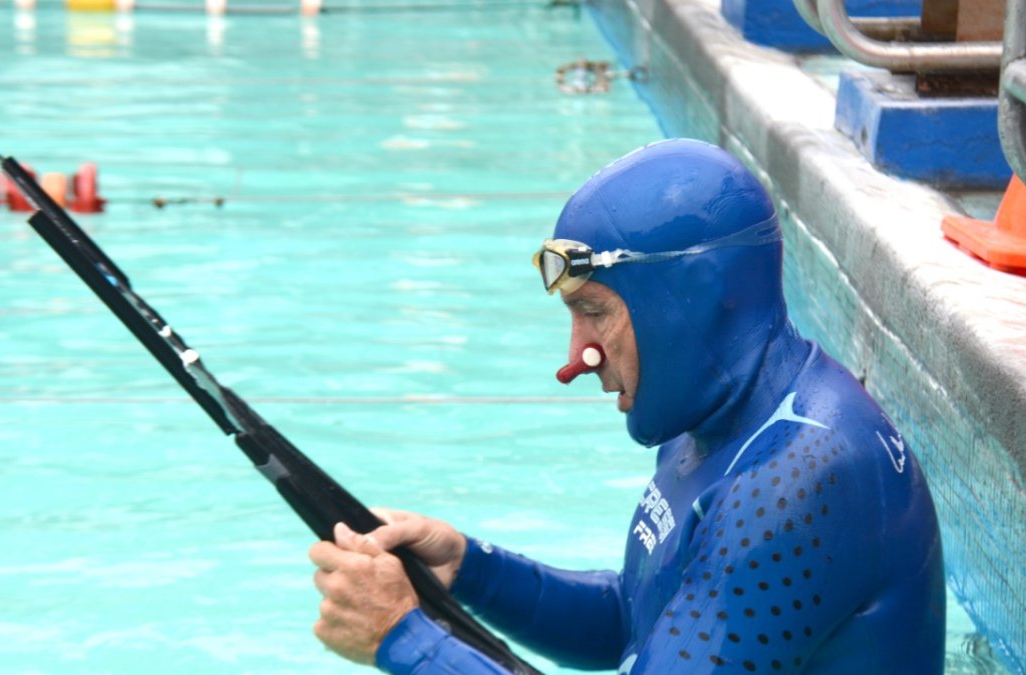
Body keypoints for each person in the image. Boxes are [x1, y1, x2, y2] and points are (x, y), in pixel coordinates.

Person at [308, 139, 946, 674]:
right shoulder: (721, 420)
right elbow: (638, 620)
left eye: (594, 313)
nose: (577, 357)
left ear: (694, 297)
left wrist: (403, 638)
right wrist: (472, 570)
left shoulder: (803, 475)